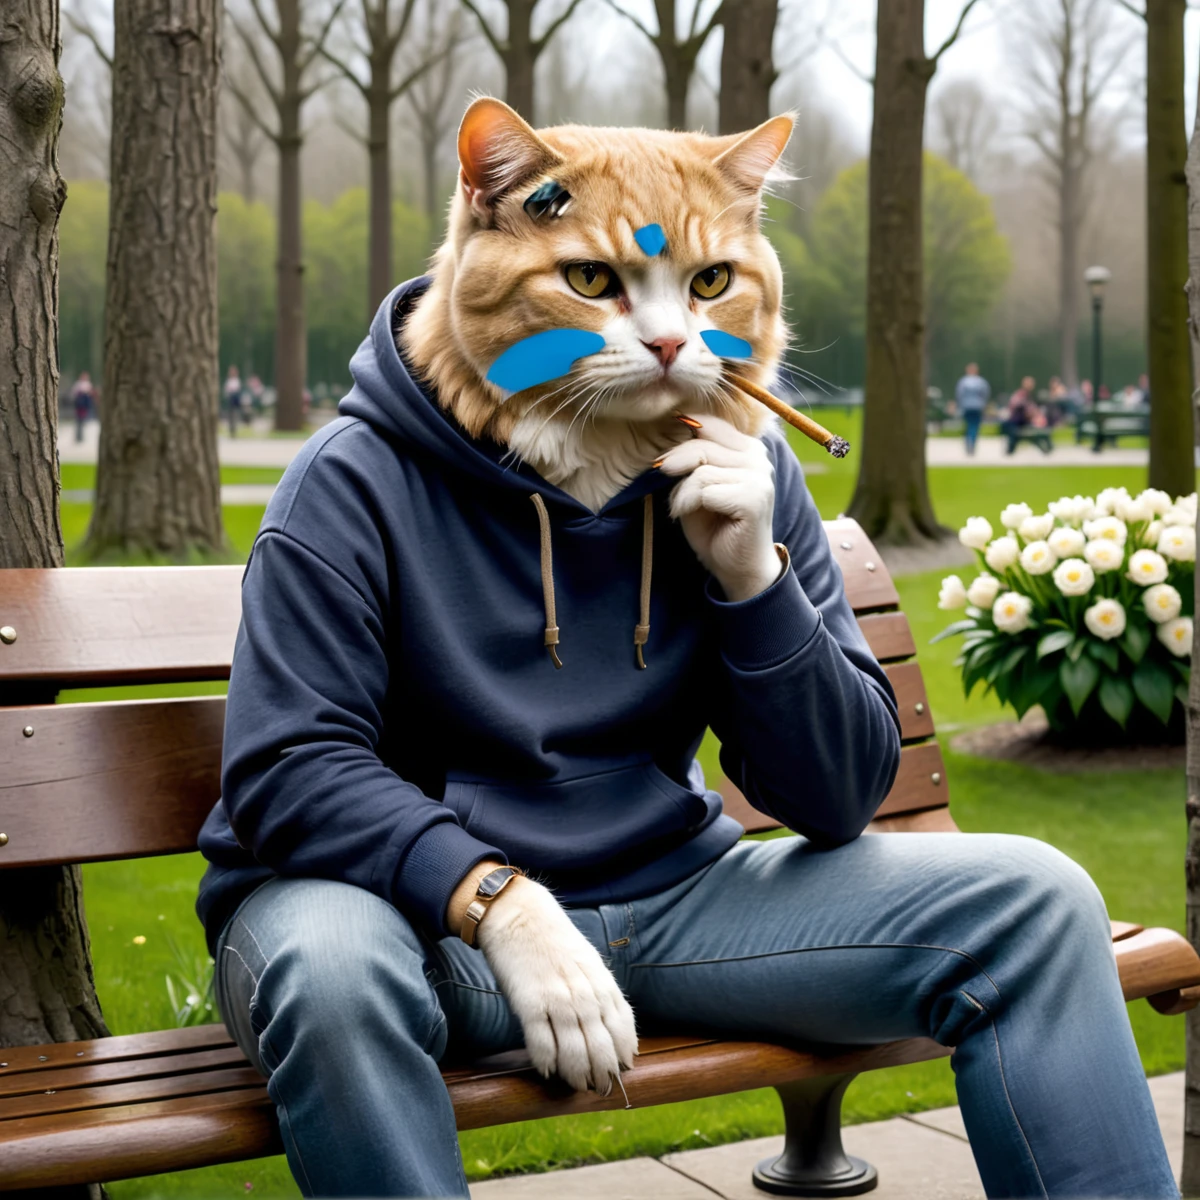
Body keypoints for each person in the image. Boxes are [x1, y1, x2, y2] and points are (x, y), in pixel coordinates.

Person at [197, 99, 1178, 1199]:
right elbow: (289, 769)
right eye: (598, 280)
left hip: (670, 904)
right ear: (486, 218)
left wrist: (753, 581)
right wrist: (499, 903)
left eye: (705, 283)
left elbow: (842, 797)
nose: (666, 335)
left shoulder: (751, 469)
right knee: (327, 969)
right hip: (413, 926)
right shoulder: (350, 480)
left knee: (1039, 900)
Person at [1001, 375, 1051, 455]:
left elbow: (1032, 410)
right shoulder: (1020, 394)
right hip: (1017, 421)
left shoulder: (1029, 396)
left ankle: (1046, 448)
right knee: (1013, 432)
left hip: (1025, 421)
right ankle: (1010, 450)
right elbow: (1014, 406)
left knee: (1038, 431)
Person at [954, 362, 990, 455]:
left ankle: (968, 443)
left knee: (968, 425)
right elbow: (985, 394)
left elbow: (959, 394)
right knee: (975, 426)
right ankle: (972, 444)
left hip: (966, 406)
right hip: (977, 406)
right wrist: (983, 404)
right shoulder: (981, 382)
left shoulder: (963, 381)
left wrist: (960, 405)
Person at [70, 372, 95, 443]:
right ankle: (78, 437)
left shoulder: (88, 384)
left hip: (84, 406)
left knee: (82, 421)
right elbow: (74, 393)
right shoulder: (78, 384)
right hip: (79, 405)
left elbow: (90, 394)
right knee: (79, 421)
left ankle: (81, 437)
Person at [223, 365, 244, 437]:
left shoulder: (237, 380)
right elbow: (227, 390)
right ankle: (231, 431)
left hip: (235, 401)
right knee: (230, 416)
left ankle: (234, 431)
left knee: (235, 416)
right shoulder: (228, 381)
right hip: (230, 400)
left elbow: (237, 390)